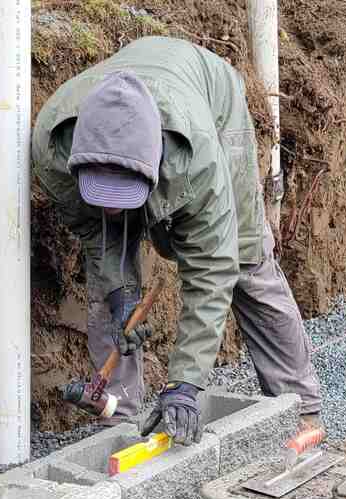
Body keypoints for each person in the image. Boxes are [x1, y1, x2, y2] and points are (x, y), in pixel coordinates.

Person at [32, 35, 323, 446]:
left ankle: (301, 411)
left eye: (124, 197)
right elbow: (95, 231)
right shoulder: (52, 151)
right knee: (109, 292)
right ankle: (119, 419)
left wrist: (184, 384)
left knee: (245, 262)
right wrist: (121, 297)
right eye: (103, 196)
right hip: (134, 120)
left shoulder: (199, 159)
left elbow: (212, 269)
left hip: (211, 105)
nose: (114, 210)